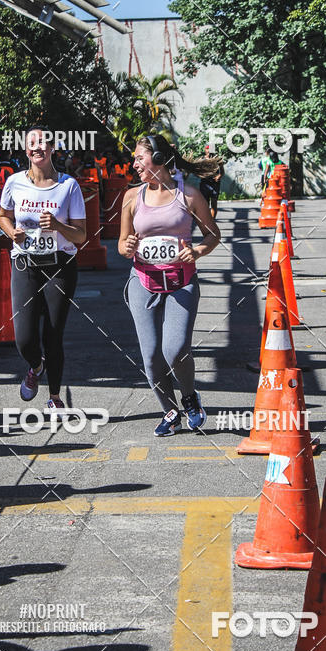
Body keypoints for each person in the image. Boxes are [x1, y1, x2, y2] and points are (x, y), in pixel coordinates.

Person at [118, 133, 221, 437]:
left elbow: (212, 235)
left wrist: (197, 250)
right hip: (143, 281)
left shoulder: (188, 196)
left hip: (181, 281)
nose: (134, 163)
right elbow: (122, 245)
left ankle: (189, 397)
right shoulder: (131, 198)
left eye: (140, 157)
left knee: (174, 349)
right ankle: (170, 411)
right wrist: (128, 246)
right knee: (151, 355)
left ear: (159, 160)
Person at [0, 127, 86, 410]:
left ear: (52, 149)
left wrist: (58, 226)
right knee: (24, 338)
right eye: (32, 143)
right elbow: (3, 216)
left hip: (59, 266)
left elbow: (81, 236)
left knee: (53, 333)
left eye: (43, 143)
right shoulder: (14, 182)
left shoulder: (68, 186)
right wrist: (12, 232)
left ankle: (55, 398)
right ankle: (36, 368)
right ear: (26, 150)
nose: (38, 148)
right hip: (26, 264)